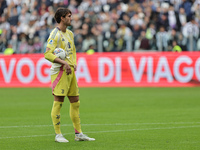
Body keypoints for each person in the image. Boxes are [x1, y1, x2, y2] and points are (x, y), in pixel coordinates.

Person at [44, 7, 95, 143]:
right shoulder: (55, 34)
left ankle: (78, 134)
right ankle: (58, 134)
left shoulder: (70, 34)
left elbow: (72, 51)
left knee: (75, 102)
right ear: (62, 18)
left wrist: (73, 63)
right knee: (58, 102)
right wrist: (64, 63)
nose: (71, 18)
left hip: (70, 71)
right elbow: (47, 54)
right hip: (59, 72)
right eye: (69, 16)